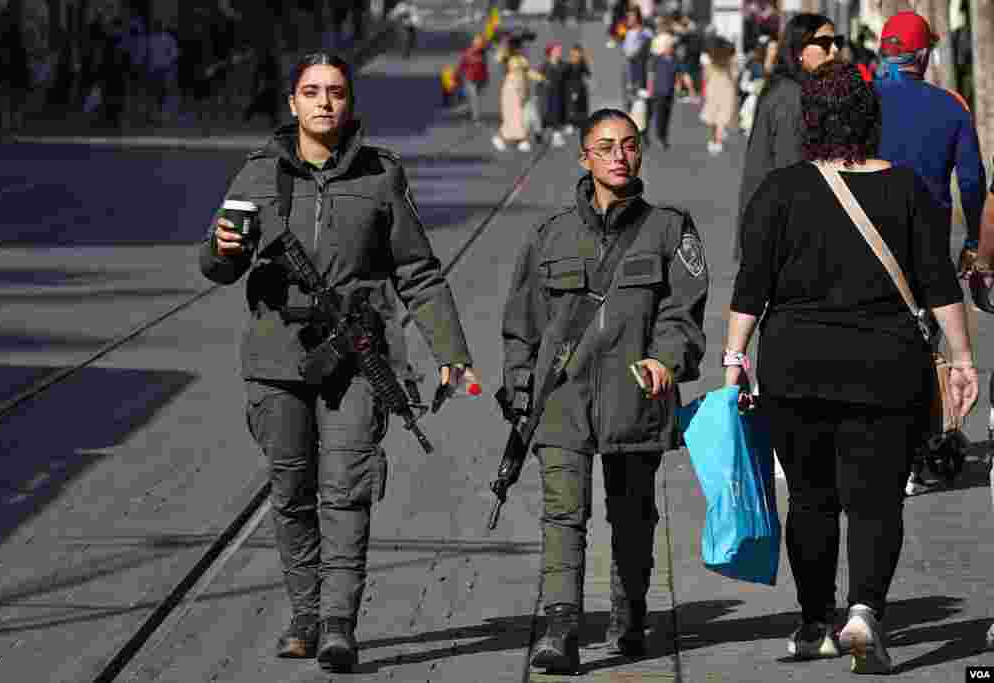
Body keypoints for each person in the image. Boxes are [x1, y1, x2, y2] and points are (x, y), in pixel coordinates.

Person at [198, 53, 478, 672]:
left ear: (350, 103)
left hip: (355, 358)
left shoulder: (381, 176)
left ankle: (337, 624)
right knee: (292, 491)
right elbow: (217, 266)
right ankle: (304, 614)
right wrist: (221, 248)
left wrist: (451, 352)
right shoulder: (258, 175)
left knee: (347, 490)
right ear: (292, 103)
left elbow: (418, 270)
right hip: (276, 361)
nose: (324, 102)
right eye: (311, 92)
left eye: (336, 92)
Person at [726, 61, 978, 674]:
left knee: (811, 501)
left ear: (811, 121)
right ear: (872, 120)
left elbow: (751, 284)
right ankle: (865, 612)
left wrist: (734, 358)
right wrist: (963, 358)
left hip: (795, 367)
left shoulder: (780, 191)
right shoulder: (910, 190)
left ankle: (817, 624)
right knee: (877, 501)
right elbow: (939, 284)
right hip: (887, 369)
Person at [503, 108, 708, 674]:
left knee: (634, 514)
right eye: (606, 146)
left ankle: (630, 613)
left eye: (629, 145)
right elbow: (521, 324)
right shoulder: (548, 235)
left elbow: (683, 313)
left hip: (635, 395)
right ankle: (561, 628)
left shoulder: (670, 229)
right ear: (584, 157)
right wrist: (520, 388)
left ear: (641, 153)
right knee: (563, 514)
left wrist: (667, 359)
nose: (619, 155)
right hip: (562, 398)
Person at [872, 11, 987, 281]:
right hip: (929, 243)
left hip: (865, 236)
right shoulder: (953, 106)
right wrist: (973, 244)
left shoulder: (858, 100)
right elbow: (971, 183)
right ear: (923, 55)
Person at [733, 12, 838, 260]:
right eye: (824, 43)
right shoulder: (791, 98)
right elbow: (791, 174)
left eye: (836, 42)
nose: (834, 50)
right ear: (800, 50)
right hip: (786, 238)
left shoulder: (793, 90)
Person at [493, 35, 544, 152]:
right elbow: (497, 57)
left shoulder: (522, 59)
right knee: (513, 116)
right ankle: (506, 138)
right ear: (514, 48)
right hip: (511, 89)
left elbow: (528, 71)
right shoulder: (507, 58)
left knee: (520, 116)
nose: (522, 49)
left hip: (522, 89)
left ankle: (517, 140)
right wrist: (504, 44)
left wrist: (541, 78)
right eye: (519, 47)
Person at [698, 38, 737, 156]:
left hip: (713, 87)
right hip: (726, 87)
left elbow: (705, 76)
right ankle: (718, 141)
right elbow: (734, 76)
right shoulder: (730, 61)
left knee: (713, 116)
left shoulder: (711, 61)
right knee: (723, 116)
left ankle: (713, 139)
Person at [647, 32, 679, 150]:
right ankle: (660, 137)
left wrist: (678, 85)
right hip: (658, 91)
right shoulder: (657, 59)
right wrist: (650, 89)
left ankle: (664, 136)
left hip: (669, 92)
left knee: (667, 115)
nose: (671, 48)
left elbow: (677, 74)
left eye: (672, 46)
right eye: (669, 46)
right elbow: (651, 74)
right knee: (659, 115)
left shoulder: (674, 59)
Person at [538, 41, 569, 147]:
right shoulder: (544, 66)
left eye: (559, 50)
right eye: (557, 50)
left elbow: (566, 80)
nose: (559, 52)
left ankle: (555, 136)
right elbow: (540, 81)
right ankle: (542, 133)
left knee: (557, 115)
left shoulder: (563, 65)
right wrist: (539, 93)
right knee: (546, 115)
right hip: (547, 94)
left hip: (559, 94)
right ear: (551, 52)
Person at [457, 34, 490, 125]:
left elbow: (484, 67)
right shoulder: (468, 53)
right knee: (474, 98)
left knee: (473, 98)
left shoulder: (483, 54)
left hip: (480, 80)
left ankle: (468, 111)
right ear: (474, 44)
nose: (479, 46)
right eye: (478, 44)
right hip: (470, 80)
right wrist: (458, 77)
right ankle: (476, 119)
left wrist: (486, 79)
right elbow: (461, 66)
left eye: (481, 44)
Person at [563, 44, 591, 131]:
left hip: (580, 88)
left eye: (578, 53)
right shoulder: (569, 64)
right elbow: (564, 76)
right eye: (574, 53)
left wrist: (586, 61)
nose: (576, 55)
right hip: (571, 88)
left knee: (581, 106)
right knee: (571, 107)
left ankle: (581, 123)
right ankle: (570, 124)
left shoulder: (582, 63)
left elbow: (588, 73)